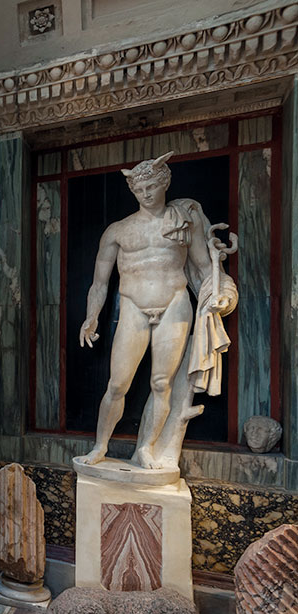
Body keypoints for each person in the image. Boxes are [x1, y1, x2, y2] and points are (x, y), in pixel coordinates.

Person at [78, 153, 236, 470]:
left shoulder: (182, 224)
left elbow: (205, 269)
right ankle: (100, 446)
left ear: (164, 184)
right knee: (117, 385)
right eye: (139, 189)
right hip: (133, 307)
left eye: (151, 186)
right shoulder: (118, 231)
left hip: (175, 304)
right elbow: (99, 283)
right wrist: (91, 316)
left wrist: (220, 293)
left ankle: (146, 448)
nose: (146, 194)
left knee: (161, 384)